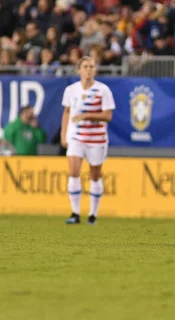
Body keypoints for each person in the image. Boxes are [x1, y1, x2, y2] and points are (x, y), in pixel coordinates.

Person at [61, 57, 116, 225]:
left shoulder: (102, 90)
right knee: (73, 172)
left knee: (95, 175)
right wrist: (64, 133)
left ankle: (93, 214)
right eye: (85, 67)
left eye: (92, 66)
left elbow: (108, 116)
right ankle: (75, 213)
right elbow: (67, 112)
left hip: (96, 139)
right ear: (79, 70)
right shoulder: (71, 90)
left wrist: (86, 115)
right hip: (76, 137)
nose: (89, 70)